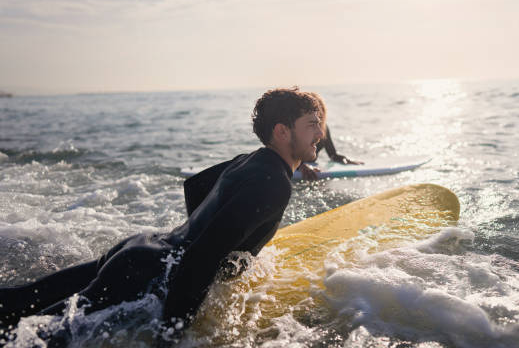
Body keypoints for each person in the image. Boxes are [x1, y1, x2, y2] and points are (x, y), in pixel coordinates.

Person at [0, 87, 325, 344]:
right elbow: (202, 257)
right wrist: (172, 335)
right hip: (146, 275)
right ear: (283, 132)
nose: (320, 134)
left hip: (143, 251)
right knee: (34, 337)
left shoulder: (253, 160)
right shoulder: (274, 184)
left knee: (19, 303)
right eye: (312, 125)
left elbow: (195, 187)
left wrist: (191, 233)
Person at [298, 92, 362, 180]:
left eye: (318, 113)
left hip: (312, 171)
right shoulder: (298, 130)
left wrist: (345, 159)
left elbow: (332, 154)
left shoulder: (324, 129)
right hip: (297, 173)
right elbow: (287, 155)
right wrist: (301, 166)